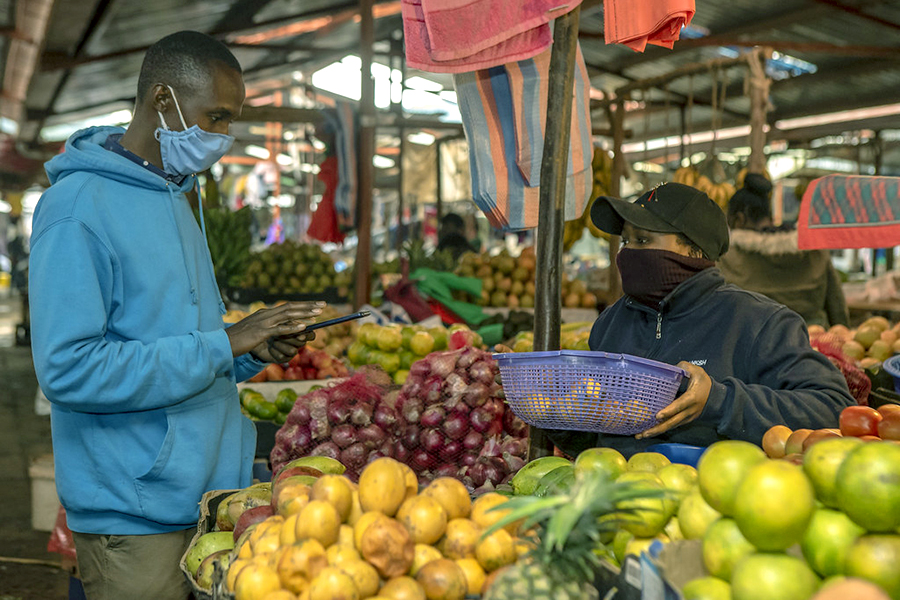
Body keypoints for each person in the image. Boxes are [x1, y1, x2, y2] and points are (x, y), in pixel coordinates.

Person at [29, 31, 321, 600]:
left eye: (229, 120)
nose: (221, 135)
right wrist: (224, 344)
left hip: (211, 500)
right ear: (163, 99)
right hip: (133, 513)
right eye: (214, 115)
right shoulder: (76, 210)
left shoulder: (175, 195)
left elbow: (175, 338)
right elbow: (68, 370)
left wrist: (246, 353)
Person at [547, 182, 855, 458]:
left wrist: (719, 401)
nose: (628, 253)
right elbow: (594, 441)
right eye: (626, 242)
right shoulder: (611, 323)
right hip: (620, 503)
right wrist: (559, 416)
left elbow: (833, 407)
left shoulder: (760, 322)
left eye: (642, 240)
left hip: (713, 503)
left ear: (694, 250)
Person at [718, 173, 849, 327]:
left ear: (739, 219)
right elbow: (838, 310)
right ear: (769, 214)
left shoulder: (727, 259)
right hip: (811, 342)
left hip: (753, 344)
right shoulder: (814, 251)